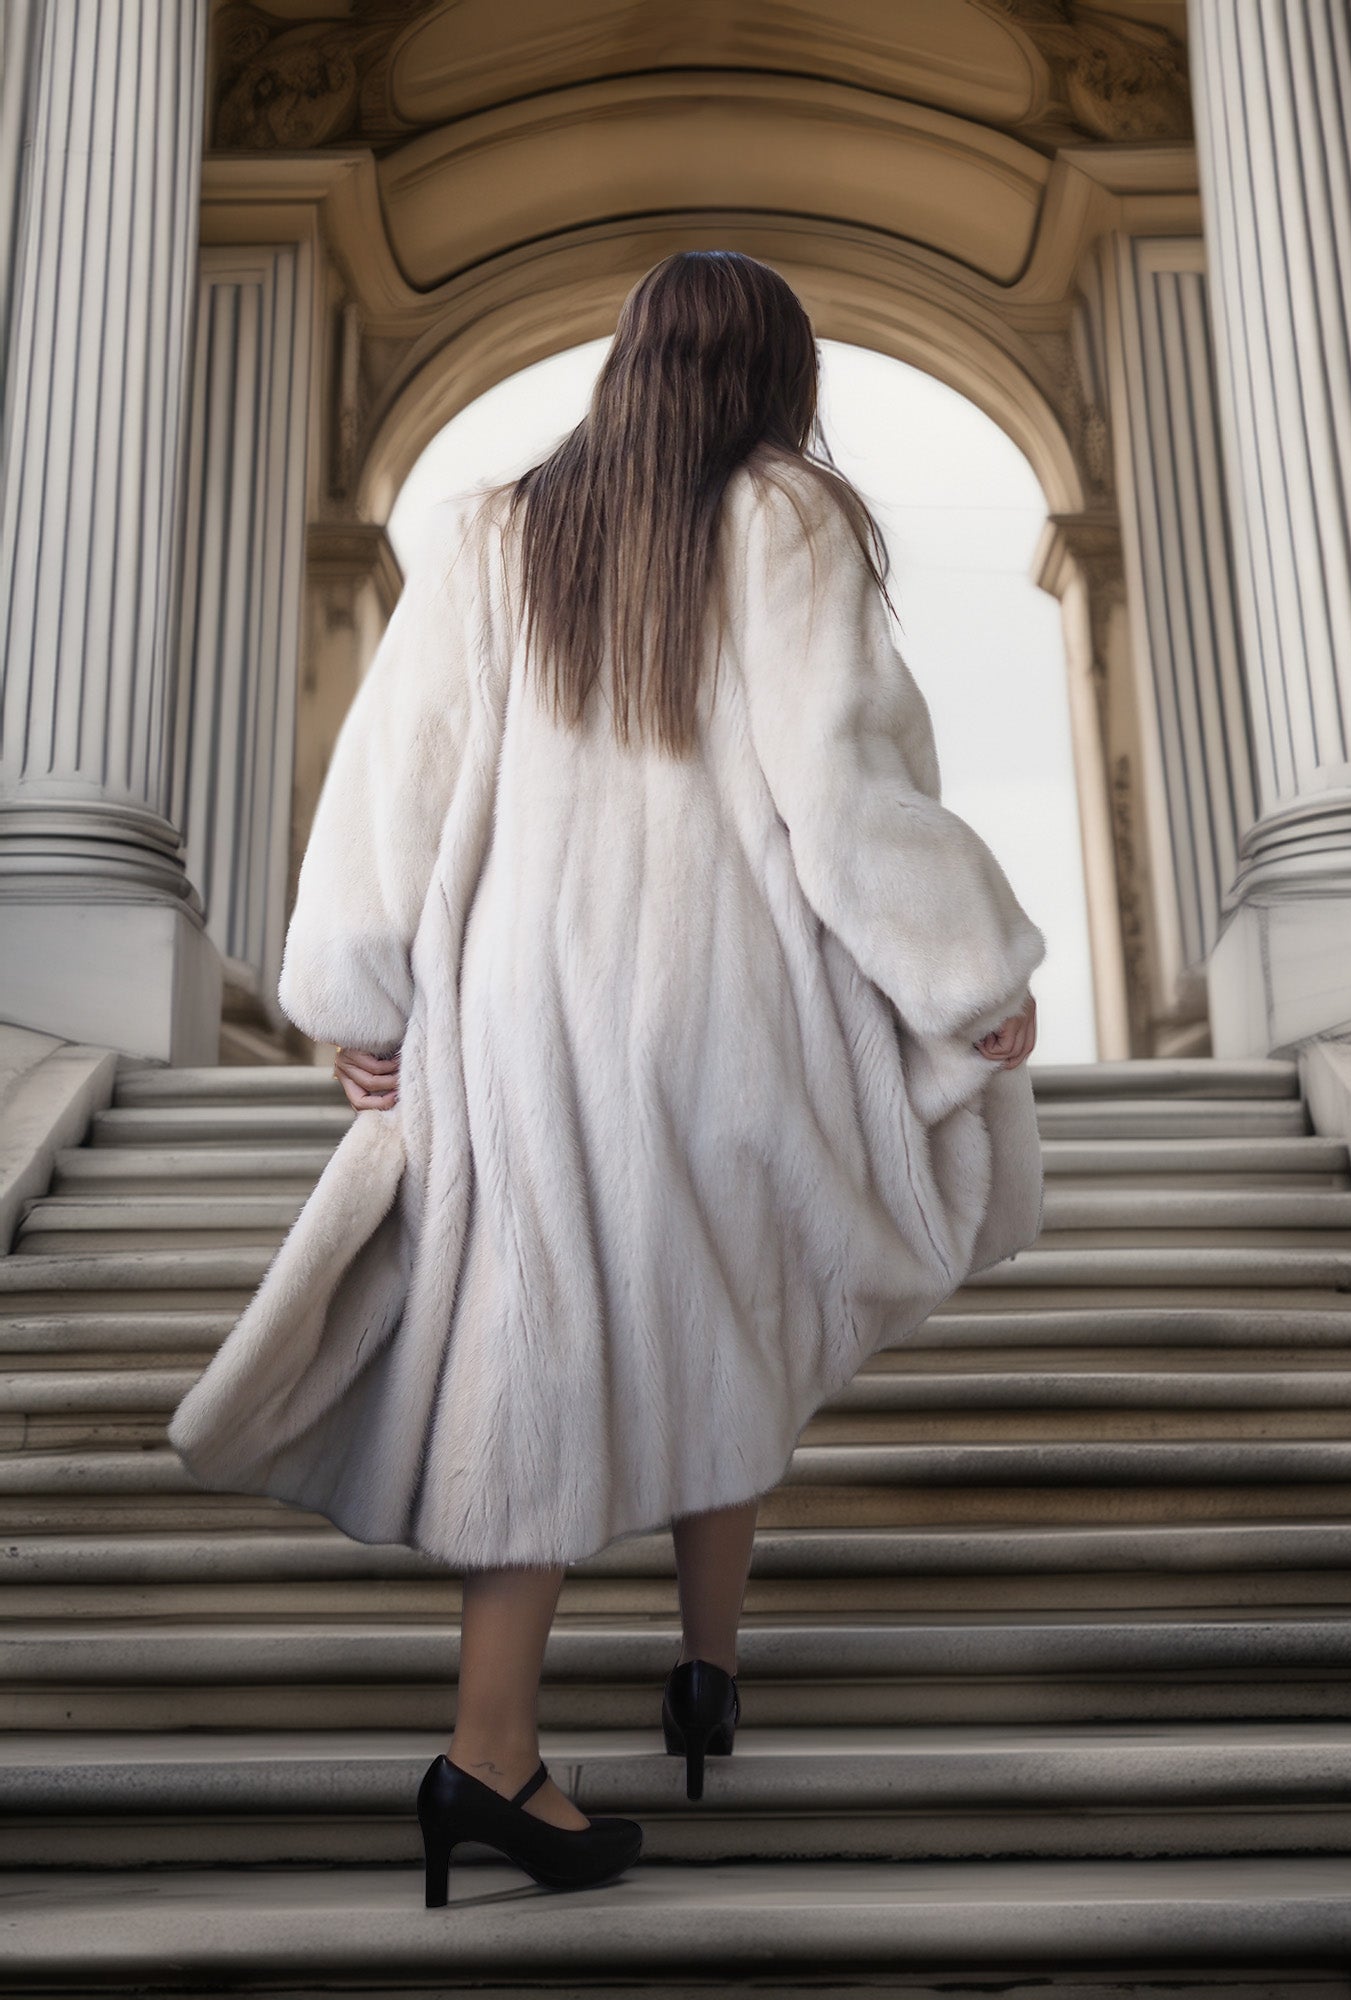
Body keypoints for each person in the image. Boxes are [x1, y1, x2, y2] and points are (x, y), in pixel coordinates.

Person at [167, 248, 1044, 1903]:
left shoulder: (494, 532)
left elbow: (392, 778)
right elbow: (844, 790)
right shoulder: (788, 515)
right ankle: (684, 1680)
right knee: (735, 1304)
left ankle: (496, 1746)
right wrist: (967, 973)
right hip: (721, 1009)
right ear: (775, 373)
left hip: (517, 1015)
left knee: (541, 1351)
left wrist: (359, 996)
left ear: (628, 362)